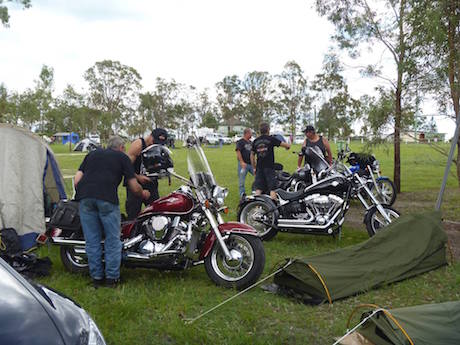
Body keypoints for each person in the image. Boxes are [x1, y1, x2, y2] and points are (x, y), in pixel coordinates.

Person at [74, 136, 150, 288]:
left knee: (92, 240)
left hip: (85, 199)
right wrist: (144, 194)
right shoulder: (123, 157)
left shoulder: (92, 154)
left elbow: (77, 180)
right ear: (121, 147)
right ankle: (112, 279)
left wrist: (86, 193)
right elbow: (134, 187)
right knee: (112, 240)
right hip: (107, 200)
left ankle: (96, 278)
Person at [125, 128, 168, 220]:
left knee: (156, 212)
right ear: (150, 136)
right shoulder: (138, 145)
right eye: (154, 141)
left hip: (151, 184)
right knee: (133, 214)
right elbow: (125, 167)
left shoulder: (157, 147)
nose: (154, 144)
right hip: (135, 183)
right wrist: (138, 177)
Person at [251, 123, 291, 199]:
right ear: (268, 130)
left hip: (259, 167)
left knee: (258, 188)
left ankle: (255, 206)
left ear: (260, 131)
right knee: (272, 188)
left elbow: (252, 155)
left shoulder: (255, 141)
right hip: (269, 167)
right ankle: (273, 207)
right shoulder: (271, 139)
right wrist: (288, 144)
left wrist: (254, 167)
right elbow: (286, 146)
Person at [235, 128, 254, 198]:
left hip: (251, 164)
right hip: (243, 165)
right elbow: (238, 152)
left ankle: (255, 192)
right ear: (247, 133)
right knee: (241, 181)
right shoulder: (240, 142)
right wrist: (242, 162)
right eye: (251, 133)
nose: (251, 134)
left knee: (258, 177)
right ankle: (242, 195)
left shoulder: (251, 142)